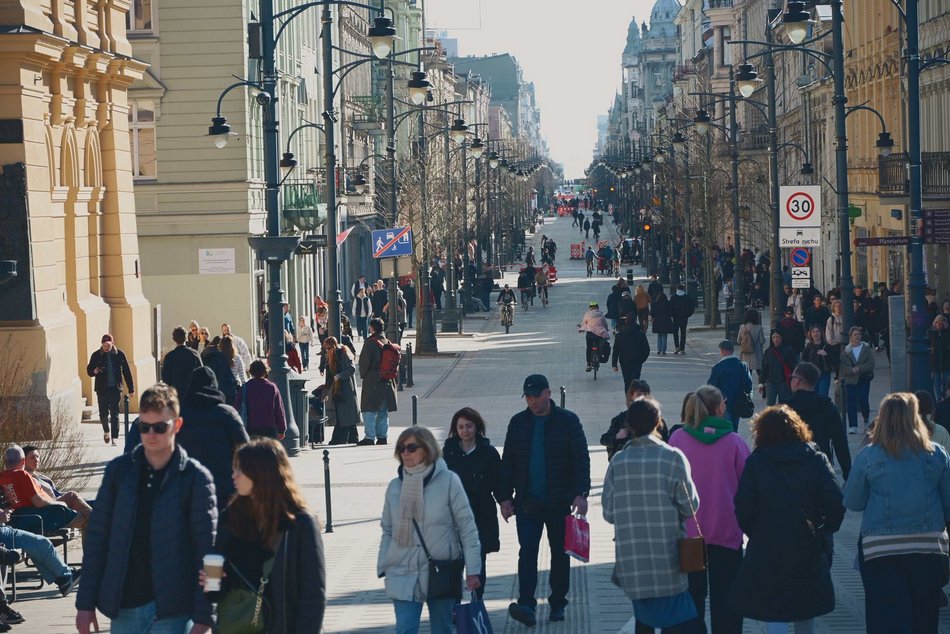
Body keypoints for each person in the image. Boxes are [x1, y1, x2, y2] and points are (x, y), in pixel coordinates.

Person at [76, 383, 217, 634]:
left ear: (177, 425)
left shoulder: (195, 478)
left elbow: (210, 552)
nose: (151, 434)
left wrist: (206, 615)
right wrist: (85, 604)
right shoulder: (118, 473)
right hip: (124, 608)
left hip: (173, 610)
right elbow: (98, 538)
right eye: (144, 426)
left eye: (160, 427)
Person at [729, 405, 845, 633]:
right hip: (807, 542)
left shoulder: (757, 462)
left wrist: (756, 532)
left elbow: (742, 506)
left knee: (774, 607)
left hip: (768, 544)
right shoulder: (815, 459)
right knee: (805, 606)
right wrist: (825, 530)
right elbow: (836, 502)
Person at [843, 392, 950, 634]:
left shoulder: (869, 455)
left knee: (884, 616)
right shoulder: (936, 455)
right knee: (924, 616)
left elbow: (853, 501)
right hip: (927, 546)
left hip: (880, 547)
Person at [199, 439, 326, 633]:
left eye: (240, 470)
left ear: (261, 474)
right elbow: (220, 591)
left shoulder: (300, 524)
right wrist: (212, 584)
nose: (233, 475)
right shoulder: (231, 517)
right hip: (238, 627)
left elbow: (313, 595)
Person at [603, 397, 702, 634]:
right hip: (670, 559)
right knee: (678, 620)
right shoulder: (673, 457)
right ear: (659, 422)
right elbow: (691, 507)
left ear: (630, 426)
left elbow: (608, 513)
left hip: (633, 562)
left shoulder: (618, 461)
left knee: (644, 620)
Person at [499, 374, 591, 626]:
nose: (532, 401)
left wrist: (581, 493)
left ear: (548, 393)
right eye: (528, 396)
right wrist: (505, 498)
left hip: (559, 501)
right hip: (527, 502)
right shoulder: (518, 423)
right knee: (527, 553)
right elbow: (508, 462)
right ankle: (526, 603)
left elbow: (581, 459)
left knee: (560, 555)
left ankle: (558, 603)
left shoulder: (568, 421)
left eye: (536, 396)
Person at [377, 426, 482, 633]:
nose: (405, 453)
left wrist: (473, 570)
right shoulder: (395, 487)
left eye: (411, 448)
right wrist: (384, 564)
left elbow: (466, 528)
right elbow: (388, 529)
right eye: (401, 448)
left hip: (441, 571)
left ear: (427, 449)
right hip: (402, 569)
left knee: (442, 628)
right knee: (405, 629)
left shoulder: (448, 481)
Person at [669, 387, 749, 634]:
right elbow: (748, 487)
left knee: (691, 600)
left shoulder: (678, 439)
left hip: (689, 535)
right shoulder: (735, 442)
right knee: (727, 600)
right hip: (727, 534)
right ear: (720, 408)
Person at [442, 408, 503, 599]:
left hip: (481, 512)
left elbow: (498, 481)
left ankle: (477, 600)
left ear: (477, 427)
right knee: (455, 561)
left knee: (478, 559)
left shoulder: (488, 452)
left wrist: (505, 501)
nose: (465, 430)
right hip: (454, 515)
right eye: (460, 427)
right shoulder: (449, 452)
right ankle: (455, 604)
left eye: (469, 426)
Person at [785, 362, 852, 480]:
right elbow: (840, 443)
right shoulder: (827, 407)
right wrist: (848, 473)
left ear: (798, 381)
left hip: (792, 469)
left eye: (792, 377)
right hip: (822, 467)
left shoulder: (786, 409)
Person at [0, 445, 88, 533]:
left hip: (24, 517)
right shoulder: (21, 475)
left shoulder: (2, 477)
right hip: (40, 517)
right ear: (23, 461)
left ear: (5, 462)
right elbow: (39, 503)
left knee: (74, 498)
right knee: (87, 520)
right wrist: (60, 503)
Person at [86, 334, 135, 446]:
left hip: (115, 388)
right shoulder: (96, 355)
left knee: (115, 412)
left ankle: (115, 437)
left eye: (108, 345)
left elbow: (126, 371)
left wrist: (131, 388)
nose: (105, 347)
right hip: (101, 389)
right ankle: (106, 431)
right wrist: (94, 371)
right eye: (104, 345)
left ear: (112, 343)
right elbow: (89, 370)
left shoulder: (119, 354)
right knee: (103, 413)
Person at [358, 318, 397, 446]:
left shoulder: (370, 343)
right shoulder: (387, 341)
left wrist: (364, 375)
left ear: (372, 328)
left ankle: (369, 437)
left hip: (373, 380)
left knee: (368, 409)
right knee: (382, 410)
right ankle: (382, 437)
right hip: (387, 380)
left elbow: (364, 363)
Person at [600, 380, 658, 459]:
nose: (642, 398)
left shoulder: (656, 419)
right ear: (631, 396)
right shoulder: (621, 418)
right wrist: (617, 436)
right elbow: (604, 440)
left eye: (645, 395)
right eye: (639, 395)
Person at [233, 360, 287, 440]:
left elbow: (236, 407)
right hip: (269, 428)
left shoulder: (245, 388)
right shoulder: (272, 387)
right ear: (265, 371)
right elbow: (279, 409)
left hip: (250, 427)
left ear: (251, 372)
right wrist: (282, 429)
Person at [323, 336, 361, 446]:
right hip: (338, 389)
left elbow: (352, 369)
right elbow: (329, 375)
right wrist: (325, 391)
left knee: (345, 413)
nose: (327, 350)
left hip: (346, 388)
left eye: (329, 348)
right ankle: (352, 437)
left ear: (334, 346)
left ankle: (341, 438)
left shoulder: (344, 352)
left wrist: (340, 376)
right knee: (345, 414)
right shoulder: (331, 356)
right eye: (326, 348)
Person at [707, 340, 753, 430]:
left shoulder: (718, 367)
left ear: (722, 351)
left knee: (726, 427)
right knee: (735, 427)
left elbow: (711, 387)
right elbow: (748, 384)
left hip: (724, 403)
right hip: (739, 402)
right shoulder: (742, 365)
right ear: (732, 350)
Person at [841, 326, 876, 434]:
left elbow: (871, 364)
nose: (857, 336)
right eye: (855, 335)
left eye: (859, 334)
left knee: (863, 400)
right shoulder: (846, 352)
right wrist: (851, 370)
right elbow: (843, 368)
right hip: (851, 380)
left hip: (863, 379)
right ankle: (853, 425)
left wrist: (859, 368)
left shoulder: (866, 349)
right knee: (851, 402)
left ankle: (866, 419)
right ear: (850, 337)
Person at [162, 326, 204, 401]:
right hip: (192, 395)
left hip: (176, 396)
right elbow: (202, 374)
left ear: (174, 339)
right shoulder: (195, 354)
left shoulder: (169, 357)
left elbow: (165, 378)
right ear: (186, 338)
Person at [612, 318, 651, 394]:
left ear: (626, 322)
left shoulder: (619, 335)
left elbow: (616, 350)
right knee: (636, 381)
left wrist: (614, 364)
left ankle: (628, 398)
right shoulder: (640, 334)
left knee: (627, 381)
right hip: (637, 361)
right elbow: (646, 349)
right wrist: (641, 359)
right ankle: (634, 397)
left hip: (624, 361)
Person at [761, 331, 796, 406]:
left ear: (781, 338)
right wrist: (761, 382)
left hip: (784, 382)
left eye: (777, 337)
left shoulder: (787, 350)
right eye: (773, 337)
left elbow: (793, 365)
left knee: (784, 405)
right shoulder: (768, 352)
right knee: (770, 405)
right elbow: (764, 367)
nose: (776, 339)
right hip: (771, 382)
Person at [579, 301, 610, 372]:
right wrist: (606, 329)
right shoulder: (600, 314)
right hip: (599, 334)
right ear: (597, 307)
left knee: (589, 348)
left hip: (590, 334)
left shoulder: (587, 314)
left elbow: (584, 323)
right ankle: (598, 357)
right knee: (600, 346)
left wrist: (582, 328)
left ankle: (588, 364)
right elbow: (605, 324)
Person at [737, 309, 765, 383]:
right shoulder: (759, 327)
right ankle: (762, 386)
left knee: (748, 372)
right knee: (760, 372)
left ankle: (748, 390)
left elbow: (738, 340)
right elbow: (762, 341)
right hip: (756, 353)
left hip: (745, 353)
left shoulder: (742, 327)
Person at [218, 335, 245, 404]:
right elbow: (242, 377)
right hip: (233, 388)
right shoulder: (238, 358)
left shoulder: (218, 358)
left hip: (220, 389)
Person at [670, 285, 695, 355]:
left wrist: (672, 314)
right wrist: (687, 314)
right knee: (683, 333)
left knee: (675, 332)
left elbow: (670, 307)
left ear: (677, 289)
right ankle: (682, 348)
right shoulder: (687, 297)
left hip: (675, 318)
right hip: (684, 317)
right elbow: (692, 308)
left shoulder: (673, 297)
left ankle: (676, 347)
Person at [651, 290, 674, 356]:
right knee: (664, 335)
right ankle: (663, 350)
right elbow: (671, 312)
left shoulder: (655, 304)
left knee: (659, 335)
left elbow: (652, 313)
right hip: (666, 321)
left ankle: (659, 349)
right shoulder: (668, 304)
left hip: (657, 321)